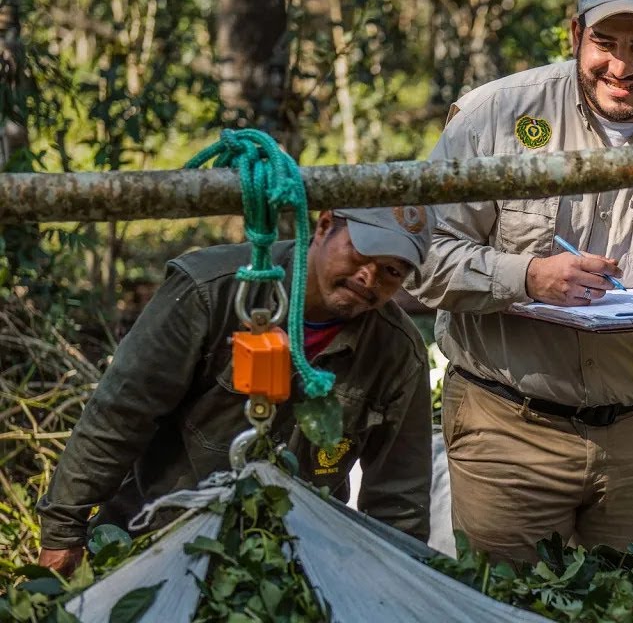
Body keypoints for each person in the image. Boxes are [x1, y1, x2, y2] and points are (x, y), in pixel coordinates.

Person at [411, 0, 633, 563]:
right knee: (507, 608)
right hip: (505, 432)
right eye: (604, 42)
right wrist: (526, 276)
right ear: (574, 35)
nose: (621, 66)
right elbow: (422, 257)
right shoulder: (496, 117)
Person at [37, 207, 435, 575]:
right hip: (154, 534)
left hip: (293, 561)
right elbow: (120, 415)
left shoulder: (397, 353)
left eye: (390, 272)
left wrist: (394, 587)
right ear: (325, 226)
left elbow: (398, 503)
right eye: (360, 253)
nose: (369, 278)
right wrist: (63, 530)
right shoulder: (212, 291)